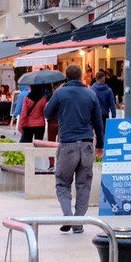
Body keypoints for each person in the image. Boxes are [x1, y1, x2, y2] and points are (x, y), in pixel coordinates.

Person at [42, 64, 104, 233]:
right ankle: (78, 223)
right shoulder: (91, 94)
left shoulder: (60, 93)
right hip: (86, 145)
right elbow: (98, 123)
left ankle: (68, 216)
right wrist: (100, 145)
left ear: (66, 77)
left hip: (67, 144)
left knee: (62, 183)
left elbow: (47, 114)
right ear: (81, 76)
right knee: (84, 185)